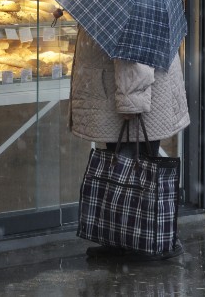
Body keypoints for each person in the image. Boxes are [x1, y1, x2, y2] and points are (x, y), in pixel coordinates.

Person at [69, 24, 190, 261]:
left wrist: (131, 103)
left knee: (134, 174)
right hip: (130, 97)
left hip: (136, 101)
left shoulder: (128, 2)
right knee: (126, 174)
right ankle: (122, 239)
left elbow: (135, 56)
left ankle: (142, 242)